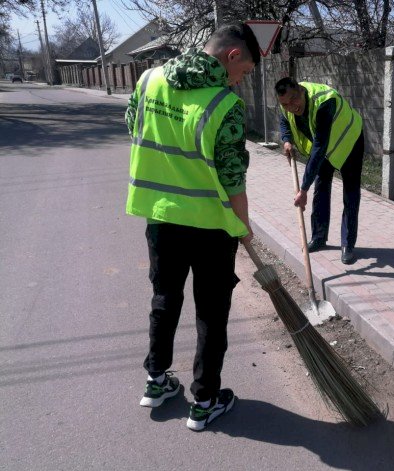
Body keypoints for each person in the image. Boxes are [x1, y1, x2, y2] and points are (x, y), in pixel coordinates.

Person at [124, 23, 260, 431]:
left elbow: (132, 126)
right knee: (211, 313)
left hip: (161, 217)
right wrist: (244, 227)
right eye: (246, 71)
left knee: (164, 299)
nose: (243, 80)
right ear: (232, 56)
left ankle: (156, 380)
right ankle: (204, 401)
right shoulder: (225, 105)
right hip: (211, 228)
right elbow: (234, 179)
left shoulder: (147, 81)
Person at [275, 77, 364, 265]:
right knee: (321, 188)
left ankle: (348, 244)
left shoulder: (325, 101)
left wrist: (303, 189)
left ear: (300, 90)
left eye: (293, 100)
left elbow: (320, 146)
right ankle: (319, 238)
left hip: (349, 141)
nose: (291, 107)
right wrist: (286, 140)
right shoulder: (285, 104)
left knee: (350, 192)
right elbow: (284, 121)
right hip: (324, 147)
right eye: (285, 104)